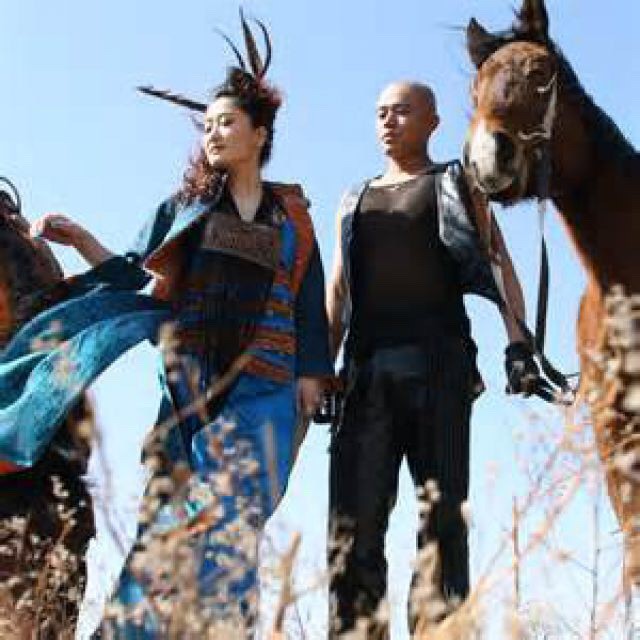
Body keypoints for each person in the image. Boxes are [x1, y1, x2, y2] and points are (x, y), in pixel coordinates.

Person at [0, 13, 332, 638]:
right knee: (172, 524)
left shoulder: (292, 217)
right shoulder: (187, 209)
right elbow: (131, 271)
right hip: (190, 391)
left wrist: (315, 374)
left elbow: (307, 300)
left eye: (226, 122)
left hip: (266, 390)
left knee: (229, 522)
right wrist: (82, 241)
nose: (212, 134)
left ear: (259, 133)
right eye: (206, 126)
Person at [325, 81, 539, 637]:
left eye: (402, 110)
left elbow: (498, 264)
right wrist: (320, 369)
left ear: (432, 122)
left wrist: (519, 345)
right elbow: (338, 293)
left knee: (443, 524)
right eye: (380, 112)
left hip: (438, 369)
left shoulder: (456, 182)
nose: (388, 120)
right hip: (365, 377)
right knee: (352, 528)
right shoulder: (353, 198)